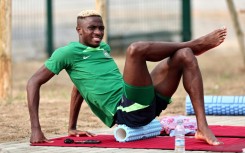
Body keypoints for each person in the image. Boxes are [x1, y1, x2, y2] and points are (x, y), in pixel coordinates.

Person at [27, 10, 227, 145]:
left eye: (101, 28)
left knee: (185, 55)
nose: (98, 32)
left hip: (146, 103)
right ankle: (194, 43)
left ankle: (202, 127)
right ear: (79, 30)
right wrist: (36, 128)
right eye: (92, 28)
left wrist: (71, 127)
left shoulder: (103, 48)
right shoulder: (66, 53)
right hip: (125, 110)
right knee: (135, 49)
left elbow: (79, 87)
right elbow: (33, 82)